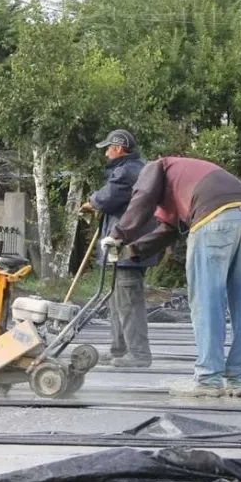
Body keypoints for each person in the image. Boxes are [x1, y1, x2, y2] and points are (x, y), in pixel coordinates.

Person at [101, 157, 241, 398]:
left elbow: (142, 199)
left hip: (212, 219)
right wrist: (130, 250)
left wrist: (117, 234)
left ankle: (209, 379)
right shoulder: (182, 183)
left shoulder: (157, 166)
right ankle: (240, 378)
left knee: (207, 300)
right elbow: (167, 231)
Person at [78, 129, 159, 368]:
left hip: (128, 248)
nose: (105, 153)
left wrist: (90, 202)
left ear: (119, 148)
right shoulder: (130, 169)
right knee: (116, 299)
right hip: (121, 247)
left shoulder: (128, 171)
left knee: (128, 300)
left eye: (108, 148)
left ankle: (139, 353)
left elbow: (107, 197)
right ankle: (119, 349)